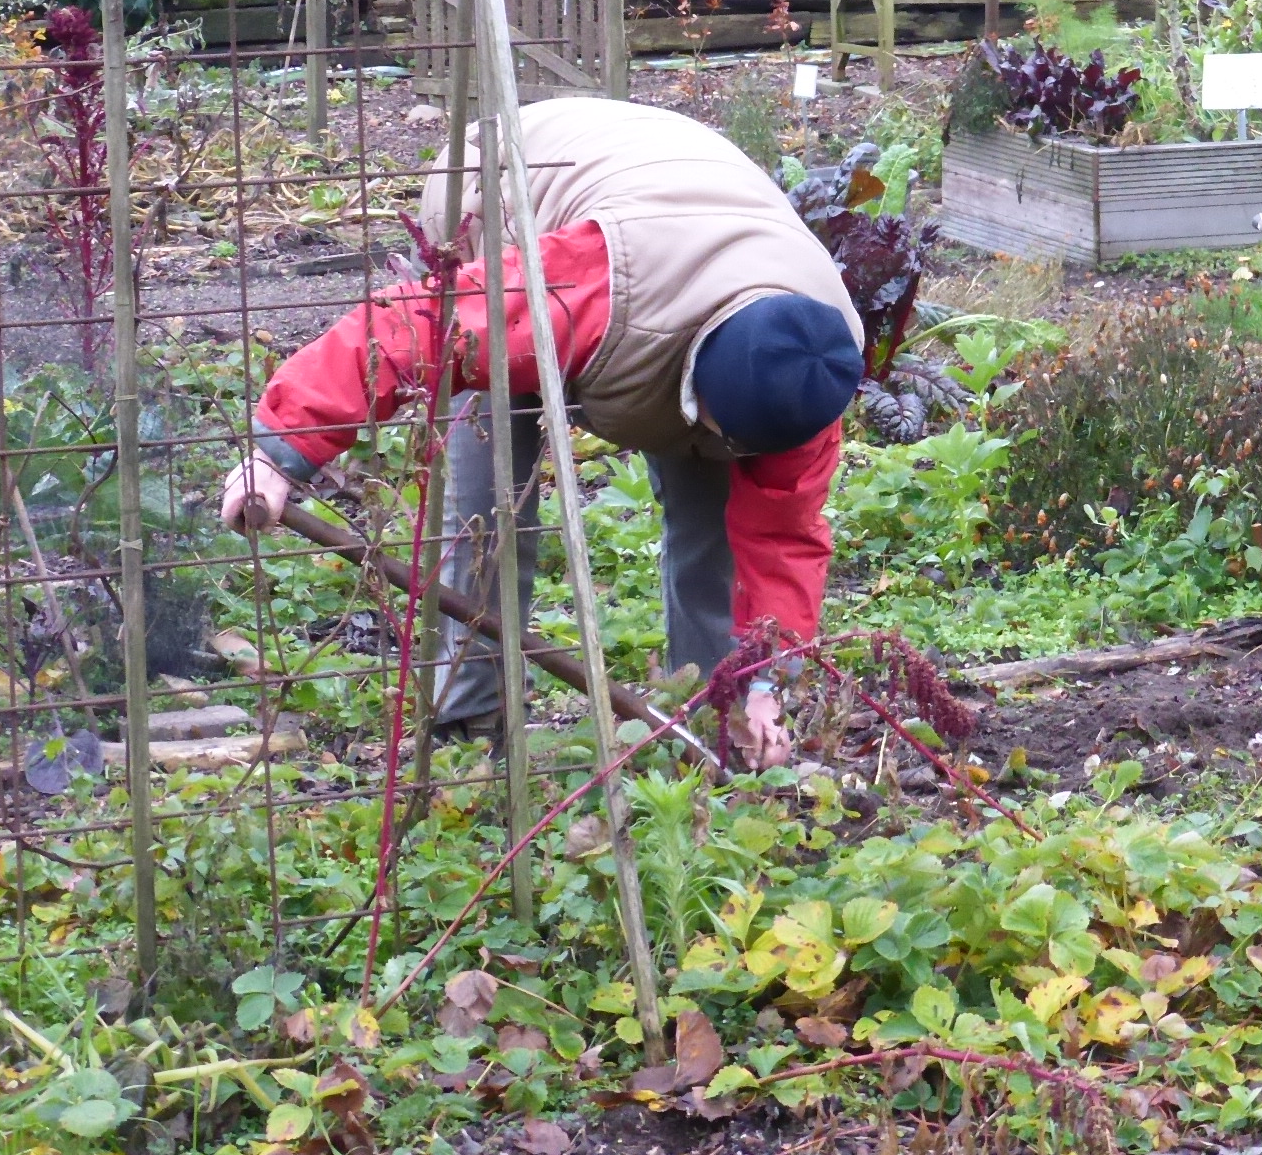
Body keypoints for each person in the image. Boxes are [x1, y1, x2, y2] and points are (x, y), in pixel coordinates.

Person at [217, 97, 865, 763]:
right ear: (694, 381)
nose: (741, 455)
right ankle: (469, 727)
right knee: (492, 499)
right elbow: (414, 331)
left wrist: (764, 682)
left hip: (682, 208)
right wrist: (281, 449)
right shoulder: (586, 292)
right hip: (506, 184)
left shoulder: (809, 370)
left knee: (715, 516)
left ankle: (714, 727)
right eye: (726, 434)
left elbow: (784, 537)